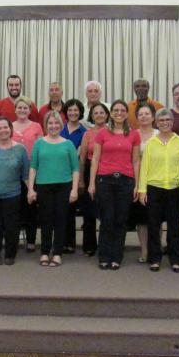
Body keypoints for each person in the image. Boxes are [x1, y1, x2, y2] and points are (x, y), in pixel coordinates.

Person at [88, 100, 140, 270]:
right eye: (116, 110)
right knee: (107, 219)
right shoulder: (102, 133)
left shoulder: (134, 135)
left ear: (126, 113)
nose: (119, 113)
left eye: (122, 110)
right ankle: (104, 256)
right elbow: (95, 158)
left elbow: (136, 161)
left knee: (121, 220)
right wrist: (91, 183)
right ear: (111, 113)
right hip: (105, 180)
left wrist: (137, 185)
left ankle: (117, 256)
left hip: (126, 181)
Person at [138, 108, 179, 272]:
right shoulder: (151, 143)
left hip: (174, 189)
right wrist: (142, 190)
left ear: (172, 122)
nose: (165, 123)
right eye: (161, 120)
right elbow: (144, 168)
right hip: (154, 189)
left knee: (174, 227)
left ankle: (175, 260)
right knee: (154, 226)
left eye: (168, 120)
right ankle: (155, 259)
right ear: (156, 123)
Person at [28, 112, 79, 267]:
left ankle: (57, 253)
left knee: (60, 220)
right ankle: (44, 252)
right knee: (45, 221)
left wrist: (74, 190)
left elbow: (75, 169)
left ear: (60, 125)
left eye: (56, 123)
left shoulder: (68, 144)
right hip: (43, 186)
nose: (53, 126)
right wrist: (31, 189)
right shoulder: (39, 144)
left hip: (64, 186)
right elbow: (33, 168)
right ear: (46, 125)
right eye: (50, 123)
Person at [0, 118, 30, 265]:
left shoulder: (21, 149)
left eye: (6, 127)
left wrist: (31, 191)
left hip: (13, 194)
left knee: (12, 226)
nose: (3, 131)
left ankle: (10, 253)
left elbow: (26, 174)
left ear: (10, 129)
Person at [12, 96, 43, 251]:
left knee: (31, 206)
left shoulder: (37, 126)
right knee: (15, 207)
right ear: (15, 110)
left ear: (30, 110)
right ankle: (14, 239)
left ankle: (31, 240)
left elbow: (41, 149)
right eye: (20, 107)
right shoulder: (9, 126)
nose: (22, 110)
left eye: (25, 108)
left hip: (33, 173)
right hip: (13, 173)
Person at [78, 102, 109, 256]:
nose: (99, 115)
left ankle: (106, 245)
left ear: (107, 115)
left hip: (107, 171)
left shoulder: (112, 131)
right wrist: (81, 180)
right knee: (89, 211)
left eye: (102, 112)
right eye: (95, 113)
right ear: (91, 116)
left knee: (106, 210)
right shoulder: (87, 134)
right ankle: (89, 246)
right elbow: (82, 158)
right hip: (90, 171)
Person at [130, 103, 158, 263]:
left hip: (157, 181)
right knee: (142, 219)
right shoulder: (133, 135)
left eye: (147, 114)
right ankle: (145, 250)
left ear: (153, 117)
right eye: (140, 114)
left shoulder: (159, 134)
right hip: (138, 181)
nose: (144, 116)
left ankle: (156, 248)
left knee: (156, 218)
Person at [60, 99, 86, 253]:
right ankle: (60, 242)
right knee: (60, 210)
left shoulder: (84, 132)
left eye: (76, 110)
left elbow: (80, 156)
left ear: (80, 112)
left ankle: (70, 243)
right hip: (59, 172)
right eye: (70, 110)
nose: (73, 113)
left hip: (74, 173)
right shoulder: (60, 129)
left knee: (70, 210)